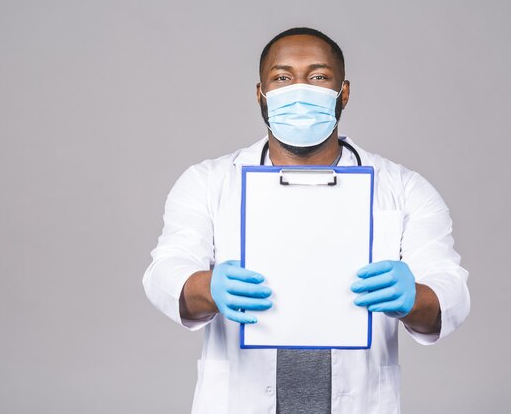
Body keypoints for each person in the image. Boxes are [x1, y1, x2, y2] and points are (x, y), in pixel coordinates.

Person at [142, 27, 470, 414]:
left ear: (343, 93)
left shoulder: (404, 189)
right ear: (260, 94)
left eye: (318, 77)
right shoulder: (209, 182)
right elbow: (166, 271)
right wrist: (208, 287)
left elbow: (450, 293)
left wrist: (415, 297)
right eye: (282, 78)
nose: (299, 90)